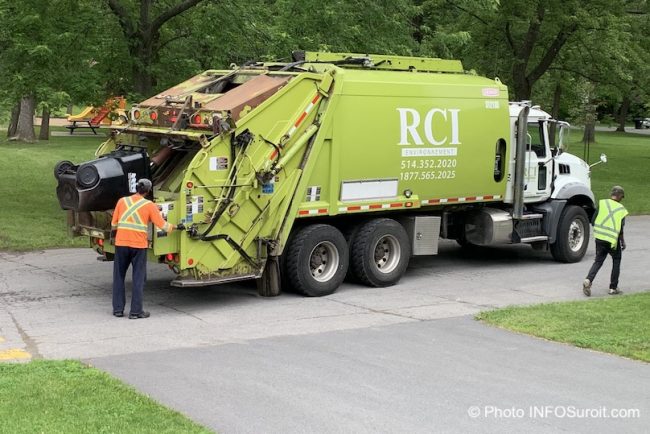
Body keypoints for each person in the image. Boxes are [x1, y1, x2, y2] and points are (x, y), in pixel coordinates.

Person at [111, 178, 177, 318]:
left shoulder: (122, 201)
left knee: (118, 277)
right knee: (138, 278)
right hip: (138, 246)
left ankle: (118, 309)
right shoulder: (149, 205)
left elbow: (114, 224)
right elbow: (162, 225)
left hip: (121, 244)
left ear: (136, 188)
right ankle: (136, 312)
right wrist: (175, 227)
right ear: (148, 191)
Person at [582, 185, 628, 296]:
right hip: (612, 240)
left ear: (611, 194)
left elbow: (593, 221)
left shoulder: (602, 203)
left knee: (598, 261)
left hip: (600, 238)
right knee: (616, 260)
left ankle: (588, 280)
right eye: (622, 197)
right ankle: (613, 287)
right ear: (620, 196)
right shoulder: (621, 209)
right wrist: (622, 241)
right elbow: (620, 229)